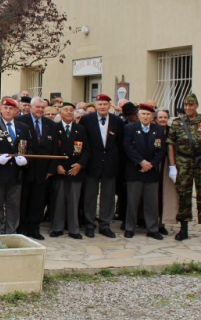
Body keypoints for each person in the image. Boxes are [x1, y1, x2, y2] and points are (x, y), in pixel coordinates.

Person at [167, 93, 201, 243]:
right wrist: (172, 166)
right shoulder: (177, 123)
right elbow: (170, 144)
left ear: (196, 105)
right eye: (186, 105)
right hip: (184, 162)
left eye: (191, 105)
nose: (188, 107)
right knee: (184, 195)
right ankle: (183, 228)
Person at [0, 97, 31, 234]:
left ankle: (11, 231)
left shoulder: (23, 127)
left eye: (11, 108)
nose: (8, 111)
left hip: (16, 172)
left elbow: (30, 148)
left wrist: (26, 160)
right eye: (5, 108)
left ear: (16, 111)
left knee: (14, 205)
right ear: (1, 109)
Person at [79, 93, 124, 239]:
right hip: (92, 163)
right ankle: (90, 224)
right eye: (100, 104)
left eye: (105, 104)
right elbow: (82, 141)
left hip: (110, 164)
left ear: (110, 105)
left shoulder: (117, 121)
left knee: (108, 196)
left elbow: (120, 143)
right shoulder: (86, 120)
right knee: (90, 195)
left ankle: (105, 225)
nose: (102, 107)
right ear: (95, 105)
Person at [17, 97, 59, 240]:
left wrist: (51, 169)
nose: (40, 110)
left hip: (43, 170)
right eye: (37, 107)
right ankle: (21, 228)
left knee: (38, 201)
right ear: (30, 107)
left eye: (42, 107)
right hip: (25, 168)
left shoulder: (51, 124)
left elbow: (54, 150)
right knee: (23, 200)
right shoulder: (21, 121)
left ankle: (34, 229)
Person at [122, 104, 166, 239]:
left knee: (151, 202)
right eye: (143, 114)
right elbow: (127, 147)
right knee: (133, 201)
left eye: (148, 114)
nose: (146, 117)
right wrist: (141, 162)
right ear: (138, 115)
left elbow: (162, 149)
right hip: (135, 170)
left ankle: (152, 229)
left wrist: (151, 164)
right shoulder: (130, 128)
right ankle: (130, 227)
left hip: (151, 171)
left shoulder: (158, 130)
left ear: (152, 116)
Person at [50, 102, 89, 240]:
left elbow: (86, 150)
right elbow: (52, 149)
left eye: (71, 110)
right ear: (60, 113)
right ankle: (57, 228)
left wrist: (80, 165)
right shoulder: (54, 128)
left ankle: (74, 229)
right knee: (59, 200)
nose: (68, 112)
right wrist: (57, 165)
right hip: (60, 170)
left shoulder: (81, 129)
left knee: (74, 200)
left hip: (75, 170)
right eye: (65, 110)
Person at [156, 109, 176, 233]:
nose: (163, 119)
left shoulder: (171, 131)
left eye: (165, 117)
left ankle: (162, 223)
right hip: (154, 164)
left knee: (165, 194)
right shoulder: (153, 129)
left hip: (167, 164)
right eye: (160, 117)